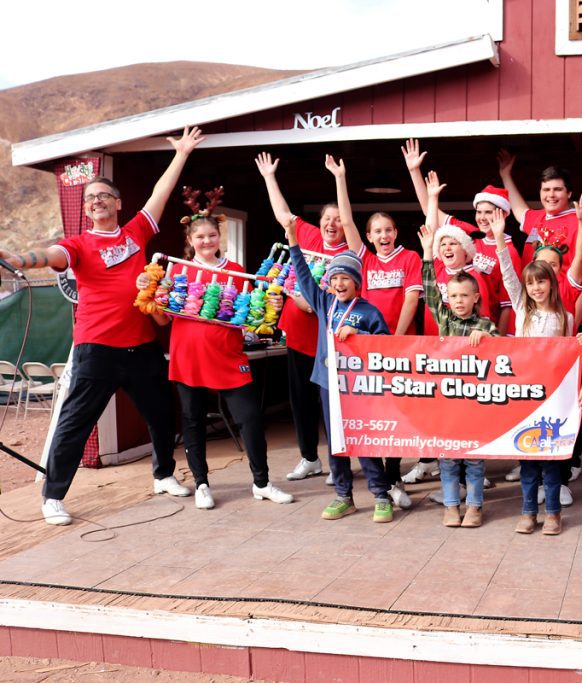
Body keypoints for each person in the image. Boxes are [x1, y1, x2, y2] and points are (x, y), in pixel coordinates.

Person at [0, 127, 203, 526]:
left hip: (142, 345)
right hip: (96, 349)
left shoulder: (136, 232)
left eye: (103, 195)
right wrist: (17, 260)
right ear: (87, 208)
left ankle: (163, 475)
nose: (96, 200)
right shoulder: (78, 245)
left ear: (117, 203)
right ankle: (53, 496)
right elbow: (49, 255)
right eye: (90, 197)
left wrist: (180, 154)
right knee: (75, 423)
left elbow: (159, 194)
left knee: (162, 415)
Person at [136, 196, 292, 509]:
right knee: (192, 421)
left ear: (220, 237)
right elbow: (163, 319)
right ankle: (202, 484)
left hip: (229, 357)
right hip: (188, 357)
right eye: (200, 236)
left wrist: (274, 305)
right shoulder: (176, 272)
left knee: (250, 419)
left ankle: (262, 483)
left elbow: (253, 316)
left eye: (211, 235)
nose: (206, 241)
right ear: (190, 240)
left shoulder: (236, 272)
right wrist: (148, 292)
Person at [280, 215, 395, 523]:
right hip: (328, 383)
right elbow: (303, 275)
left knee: (362, 439)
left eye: (346, 278)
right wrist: (293, 241)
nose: (340, 283)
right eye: (335, 278)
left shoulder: (369, 312)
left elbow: (386, 345)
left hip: (358, 387)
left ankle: (381, 494)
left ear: (356, 282)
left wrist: (360, 334)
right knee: (336, 442)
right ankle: (344, 495)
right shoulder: (324, 303)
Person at [492, 196, 582, 535]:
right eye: (531, 282)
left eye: (541, 281)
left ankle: (552, 513)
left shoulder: (566, 316)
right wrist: (499, 238)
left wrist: (580, 345)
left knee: (551, 461)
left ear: (552, 281)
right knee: (527, 461)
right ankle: (527, 512)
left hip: (554, 398)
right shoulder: (522, 309)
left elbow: (572, 353)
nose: (536, 287)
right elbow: (508, 274)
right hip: (526, 394)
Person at [325, 154, 421, 510]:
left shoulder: (409, 258)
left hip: (398, 346)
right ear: (368, 236)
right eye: (377, 231)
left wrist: (393, 337)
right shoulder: (362, 259)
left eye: (388, 230)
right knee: (372, 415)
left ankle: (393, 477)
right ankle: (377, 478)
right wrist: (340, 177)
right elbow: (347, 219)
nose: (383, 235)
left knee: (397, 414)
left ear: (396, 233)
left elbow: (411, 298)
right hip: (364, 353)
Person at [255, 152, 354, 485]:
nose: (331, 224)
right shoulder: (308, 237)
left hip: (329, 340)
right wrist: (269, 177)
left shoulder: (349, 253)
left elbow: (323, 301)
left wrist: (302, 298)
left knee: (333, 403)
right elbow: (283, 215)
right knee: (300, 401)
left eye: (338, 219)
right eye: (327, 218)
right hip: (297, 335)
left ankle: (338, 462)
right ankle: (309, 458)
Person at [401, 171, 499, 492]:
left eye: (453, 242)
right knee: (437, 413)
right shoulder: (438, 269)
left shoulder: (475, 278)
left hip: (466, 361)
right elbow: (430, 242)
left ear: (466, 249)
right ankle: (436, 466)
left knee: (468, 415)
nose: (446, 247)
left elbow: (486, 322)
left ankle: (473, 469)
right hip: (436, 355)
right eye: (443, 244)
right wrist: (431, 199)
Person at [401, 138, 520, 336]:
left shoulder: (509, 252)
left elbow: (509, 303)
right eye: (479, 212)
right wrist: (414, 171)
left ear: (504, 214)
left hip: (479, 328)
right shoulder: (469, 234)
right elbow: (430, 213)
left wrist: (499, 340)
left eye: (489, 212)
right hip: (442, 331)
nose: (482, 218)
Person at [497, 151, 582, 323]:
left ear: (569, 193)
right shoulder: (538, 218)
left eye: (557, 189)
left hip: (558, 312)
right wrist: (506, 176)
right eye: (546, 190)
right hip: (528, 309)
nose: (551, 195)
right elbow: (519, 211)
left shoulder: (581, 228)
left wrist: (571, 326)